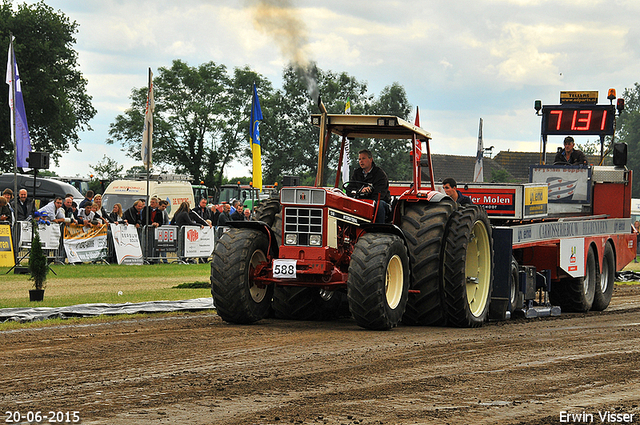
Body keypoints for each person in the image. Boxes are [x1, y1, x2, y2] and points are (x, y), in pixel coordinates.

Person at [345, 149, 391, 223]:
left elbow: (380, 193)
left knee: (380, 205)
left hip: (377, 203)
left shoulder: (380, 174)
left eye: (363, 158)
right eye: (359, 159)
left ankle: (378, 229)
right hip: (360, 201)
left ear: (371, 159)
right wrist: (359, 191)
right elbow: (349, 189)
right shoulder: (357, 173)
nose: (361, 161)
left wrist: (368, 192)